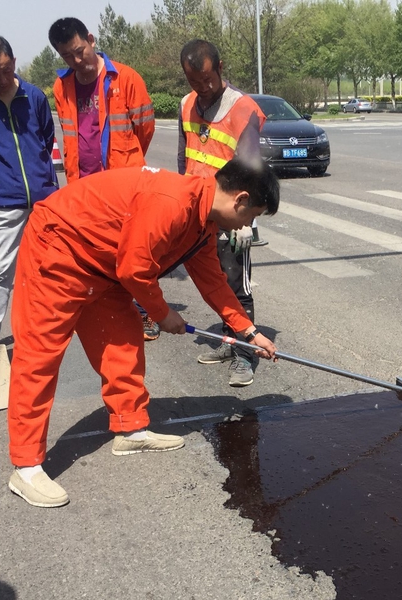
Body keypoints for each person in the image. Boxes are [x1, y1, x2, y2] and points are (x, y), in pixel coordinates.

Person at [6, 160, 280, 509]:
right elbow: (135, 269)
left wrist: (249, 331)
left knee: (122, 344)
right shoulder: (172, 203)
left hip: (106, 267)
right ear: (239, 200)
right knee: (40, 357)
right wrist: (163, 314)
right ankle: (26, 466)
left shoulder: (203, 223)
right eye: (252, 216)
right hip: (60, 250)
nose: (248, 225)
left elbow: (212, 281)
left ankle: (130, 428)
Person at [48, 17, 159, 341]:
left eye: (79, 51)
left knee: (134, 251)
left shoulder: (126, 79)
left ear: (92, 40)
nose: (76, 61)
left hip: (124, 184)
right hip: (84, 185)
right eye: (67, 56)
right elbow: (69, 136)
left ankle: (146, 311)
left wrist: (128, 164)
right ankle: (115, 311)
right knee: (99, 251)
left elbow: (145, 129)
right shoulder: (62, 86)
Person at [178, 39, 267, 388]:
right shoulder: (186, 104)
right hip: (198, 212)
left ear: (220, 67)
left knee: (236, 286)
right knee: (213, 282)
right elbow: (184, 158)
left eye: (207, 80)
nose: (202, 88)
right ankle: (229, 342)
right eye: (194, 82)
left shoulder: (242, 109)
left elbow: (251, 169)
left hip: (231, 214)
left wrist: (247, 222)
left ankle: (245, 355)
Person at [0, 34, 58, 345]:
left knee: (48, 265)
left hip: (45, 199)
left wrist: (43, 179)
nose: (1, 78)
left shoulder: (34, 97)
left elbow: (45, 139)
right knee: (1, 270)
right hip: (6, 202)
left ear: (14, 63)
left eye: (6, 69)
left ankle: (44, 323)